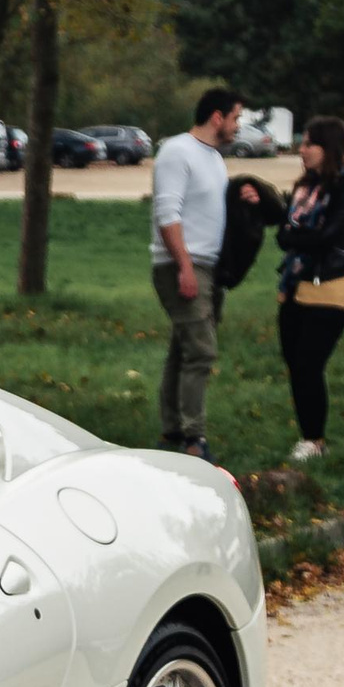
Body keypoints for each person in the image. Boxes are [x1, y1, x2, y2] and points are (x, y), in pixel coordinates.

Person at [147, 86, 243, 459]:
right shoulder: (177, 151)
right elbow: (167, 213)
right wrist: (184, 267)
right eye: (235, 117)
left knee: (183, 349)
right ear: (217, 117)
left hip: (209, 267)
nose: (238, 125)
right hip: (182, 265)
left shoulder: (214, 158)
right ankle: (193, 439)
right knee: (201, 351)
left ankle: (172, 430)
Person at [275, 116, 344, 462]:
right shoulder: (302, 188)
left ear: (329, 148)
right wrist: (297, 236)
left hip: (333, 288)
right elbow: (282, 236)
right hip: (295, 287)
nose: (302, 149)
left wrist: (295, 236)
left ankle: (314, 440)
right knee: (296, 365)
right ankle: (310, 435)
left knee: (309, 364)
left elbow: (327, 238)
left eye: (310, 144)